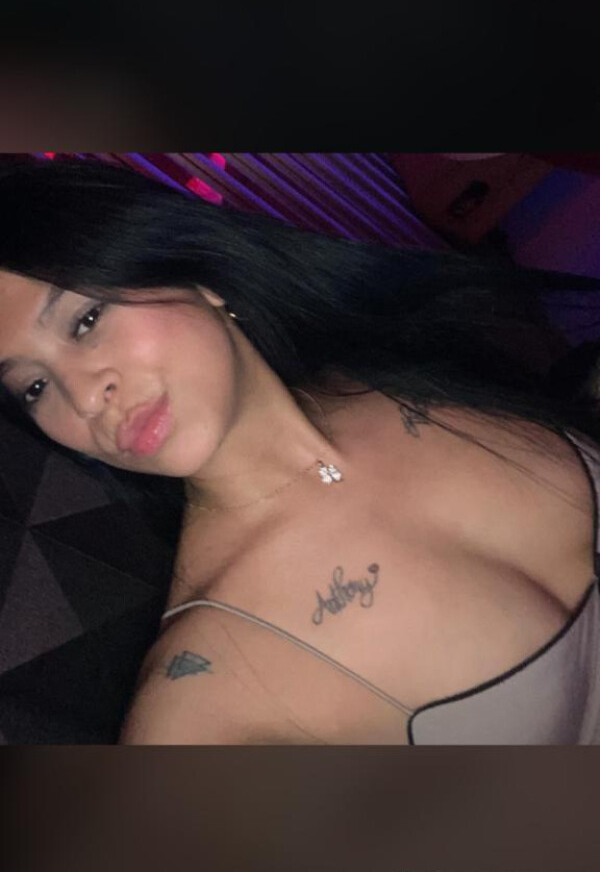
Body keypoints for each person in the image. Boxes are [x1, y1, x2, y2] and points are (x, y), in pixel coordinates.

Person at [2, 157, 600, 745]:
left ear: (198, 279)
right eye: (34, 387)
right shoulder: (211, 693)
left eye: (85, 321)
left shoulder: (391, 357)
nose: (85, 397)